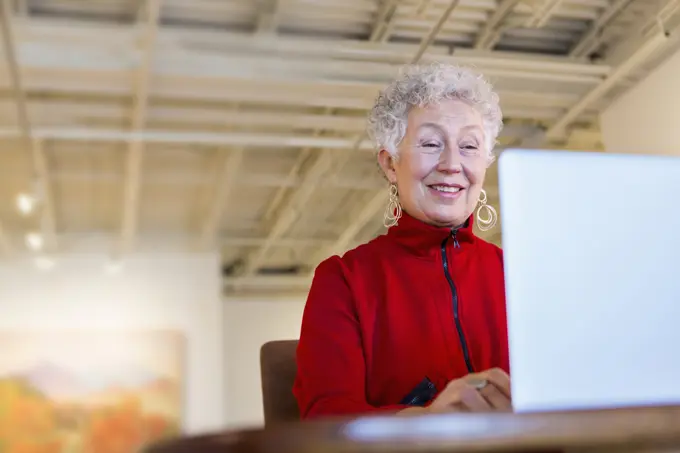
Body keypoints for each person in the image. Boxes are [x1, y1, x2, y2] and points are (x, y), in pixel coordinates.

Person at [293, 62, 511, 419]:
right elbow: (325, 416)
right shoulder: (344, 280)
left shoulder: (519, 274)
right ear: (391, 164)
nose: (452, 164)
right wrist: (427, 420)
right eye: (430, 143)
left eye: (469, 146)